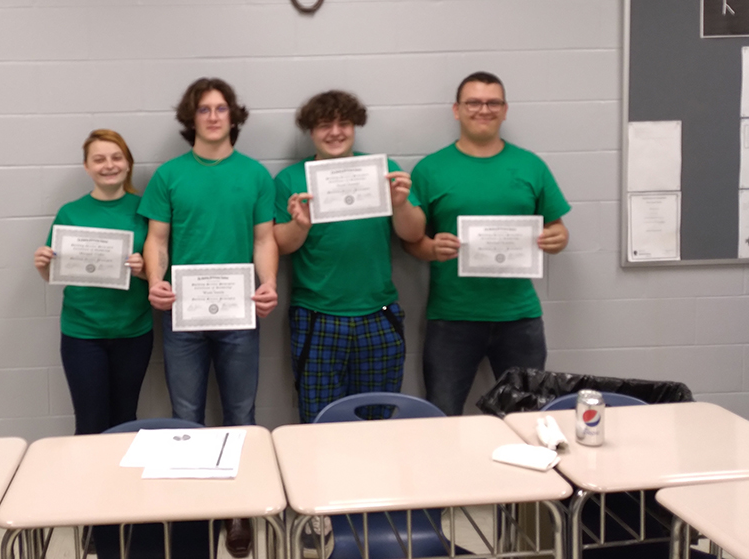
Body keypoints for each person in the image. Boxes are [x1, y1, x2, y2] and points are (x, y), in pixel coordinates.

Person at [138, 78, 277, 558]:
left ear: (232, 116)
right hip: (182, 315)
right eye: (204, 110)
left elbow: (265, 239)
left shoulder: (255, 175)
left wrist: (269, 284)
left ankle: (239, 513)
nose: (213, 117)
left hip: (241, 314)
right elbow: (156, 239)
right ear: (190, 118)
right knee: (186, 418)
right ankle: (194, 518)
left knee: (241, 415)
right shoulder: (169, 176)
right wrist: (156, 280)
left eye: (221, 109)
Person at [405, 71, 571, 416]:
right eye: (474, 102)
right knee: (442, 415)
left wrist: (558, 238)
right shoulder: (430, 169)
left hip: (519, 319)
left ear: (505, 109)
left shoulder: (530, 166)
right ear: (456, 110)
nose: (484, 109)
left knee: (528, 418)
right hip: (451, 318)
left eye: (493, 102)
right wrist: (432, 249)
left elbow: (557, 228)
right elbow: (412, 242)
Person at [274, 90, 426, 424]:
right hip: (317, 316)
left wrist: (400, 203)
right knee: (319, 421)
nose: (335, 132)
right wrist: (300, 225)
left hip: (378, 314)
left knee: (377, 419)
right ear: (311, 132)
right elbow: (281, 245)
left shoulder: (383, 170)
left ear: (355, 127)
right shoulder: (290, 179)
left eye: (344, 123)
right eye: (324, 125)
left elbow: (413, 233)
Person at [34, 129, 153, 435]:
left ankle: (123, 483)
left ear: (128, 164)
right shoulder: (70, 213)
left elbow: (160, 272)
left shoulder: (145, 210)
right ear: (87, 167)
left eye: (116, 157)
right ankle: (89, 484)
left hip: (133, 331)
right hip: (82, 333)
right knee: (89, 423)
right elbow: (53, 274)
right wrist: (43, 264)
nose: (108, 165)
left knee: (125, 420)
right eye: (98, 159)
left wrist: (142, 268)